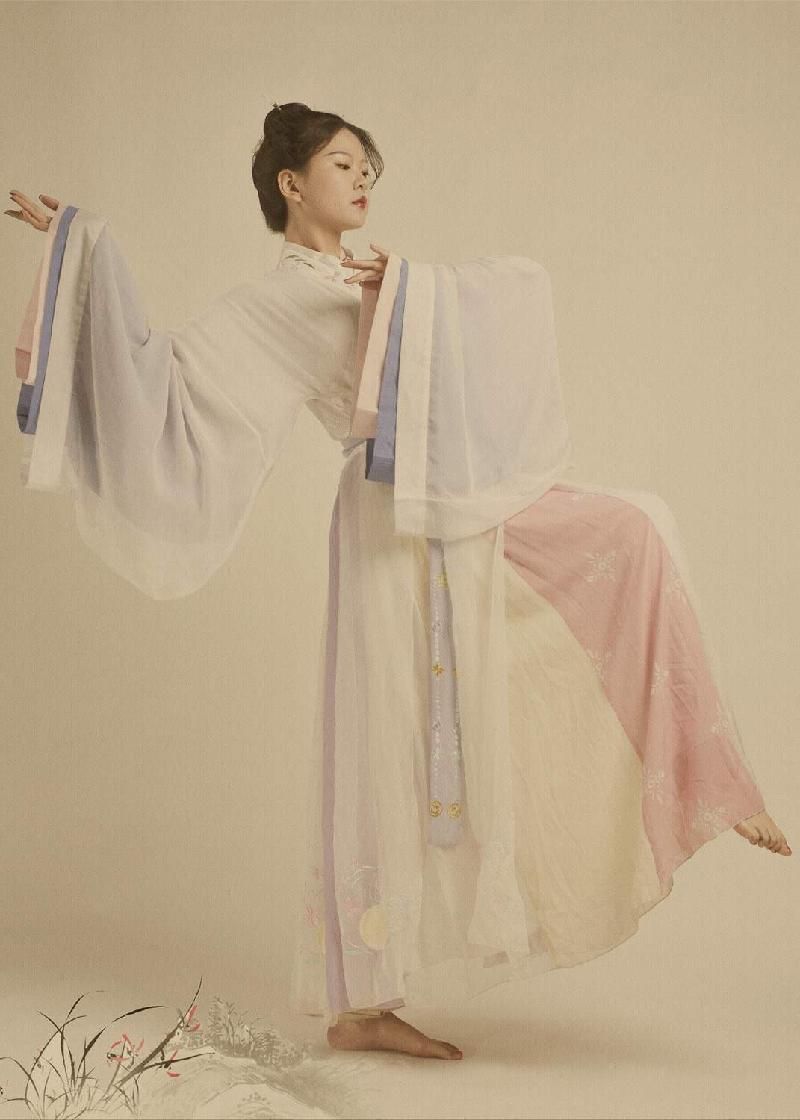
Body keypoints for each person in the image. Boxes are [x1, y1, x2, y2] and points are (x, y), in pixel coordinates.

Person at [5, 101, 791, 1065]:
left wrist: (413, 290)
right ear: (292, 185)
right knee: (381, 746)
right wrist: (82, 254)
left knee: (640, 528)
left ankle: (701, 774)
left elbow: (495, 322)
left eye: (367, 165)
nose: (363, 178)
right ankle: (360, 1002)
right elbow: (157, 378)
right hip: (386, 526)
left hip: (449, 498)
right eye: (343, 164)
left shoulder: (381, 275)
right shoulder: (275, 303)